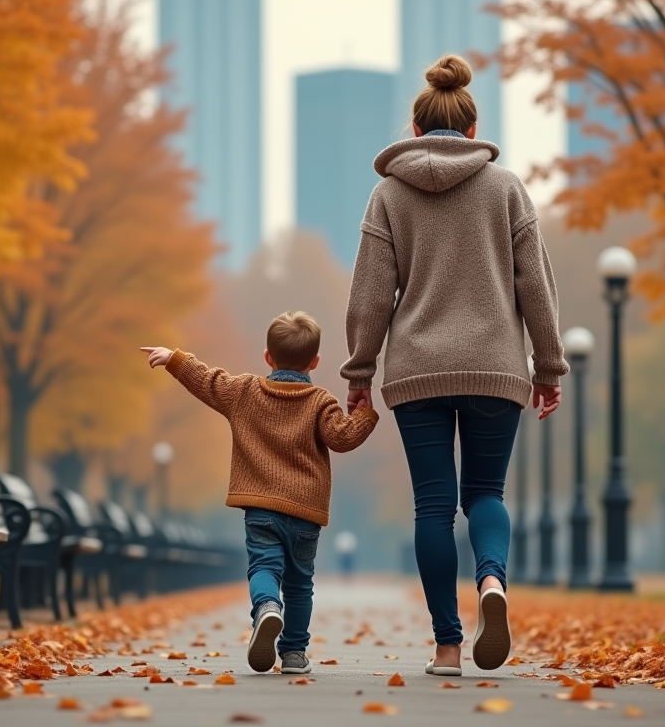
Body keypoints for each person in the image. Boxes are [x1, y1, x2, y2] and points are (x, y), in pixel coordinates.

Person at [341, 54, 568, 677]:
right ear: (472, 131)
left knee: (432, 508)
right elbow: (536, 287)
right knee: (487, 493)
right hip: (496, 366)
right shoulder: (506, 188)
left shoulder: (388, 193)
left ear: (415, 133)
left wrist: (359, 373)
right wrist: (547, 365)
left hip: (416, 373)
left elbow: (369, 293)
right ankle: (492, 584)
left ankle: (447, 646)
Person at [141, 311, 378, 674]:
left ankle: (267, 607)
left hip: (260, 508)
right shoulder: (320, 401)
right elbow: (342, 438)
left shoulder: (244, 392)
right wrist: (363, 415)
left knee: (264, 567)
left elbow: (207, 380)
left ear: (268, 356)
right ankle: (295, 654)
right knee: (300, 584)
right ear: (315, 361)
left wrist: (174, 358)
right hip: (304, 512)